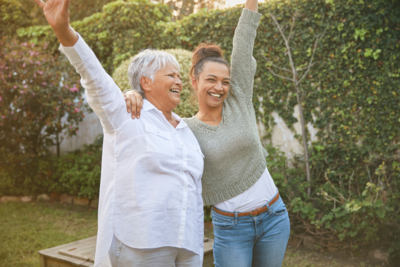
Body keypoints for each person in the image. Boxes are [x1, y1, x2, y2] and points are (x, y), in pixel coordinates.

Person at [33, 0, 205, 266]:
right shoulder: (126, 116)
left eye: (180, 76)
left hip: (189, 243)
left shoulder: (186, 130)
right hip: (144, 244)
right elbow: (94, 77)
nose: (180, 81)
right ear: (146, 82)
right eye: (172, 75)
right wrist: (64, 31)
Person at [125, 0, 290, 266]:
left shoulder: (240, 101)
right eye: (211, 80)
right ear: (194, 81)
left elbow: (244, 42)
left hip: (274, 216)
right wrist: (133, 94)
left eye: (225, 81)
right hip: (232, 228)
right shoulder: (184, 128)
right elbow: (152, 116)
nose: (219, 87)